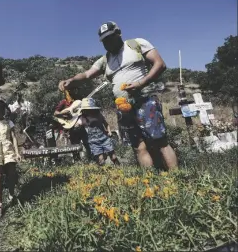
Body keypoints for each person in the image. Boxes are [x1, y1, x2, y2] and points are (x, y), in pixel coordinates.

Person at [58, 21, 178, 171]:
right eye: (104, 40)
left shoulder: (136, 44)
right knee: (138, 146)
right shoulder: (104, 60)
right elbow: (87, 74)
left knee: (160, 141)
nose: (108, 42)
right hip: (123, 108)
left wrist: (141, 83)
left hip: (145, 100)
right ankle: (151, 181)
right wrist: (72, 81)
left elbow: (160, 64)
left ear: (119, 33)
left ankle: (176, 177)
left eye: (110, 37)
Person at [77, 98, 120, 166]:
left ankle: (119, 169)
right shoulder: (82, 118)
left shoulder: (98, 115)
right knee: (101, 160)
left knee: (113, 156)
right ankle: (102, 173)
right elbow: (77, 125)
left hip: (104, 138)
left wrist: (109, 131)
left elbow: (106, 124)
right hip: (93, 141)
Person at [54, 88, 92, 161]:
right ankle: (77, 161)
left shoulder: (78, 101)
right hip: (71, 126)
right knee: (74, 144)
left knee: (86, 142)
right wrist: (64, 113)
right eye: (69, 92)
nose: (71, 94)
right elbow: (55, 113)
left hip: (81, 126)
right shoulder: (64, 102)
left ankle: (90, 159)